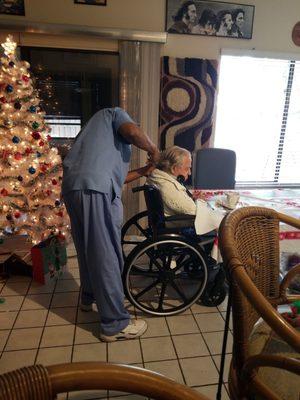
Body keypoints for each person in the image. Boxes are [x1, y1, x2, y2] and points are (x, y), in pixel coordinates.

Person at [62, 107, 159, 342]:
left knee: (87, 247)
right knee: (106, 253)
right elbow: (133, 133)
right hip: (93, 188)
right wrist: (154, 150)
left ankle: (88, 296)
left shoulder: (94, 135)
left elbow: (117, 178)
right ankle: (114, 324)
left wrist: (145, 170)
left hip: (74, 187)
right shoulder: (115, 113)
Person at [147, 146, 196, 216]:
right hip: (179, 224)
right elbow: (193, 210)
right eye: (187, 168)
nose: (189, 173)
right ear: (174, 168)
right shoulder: (166, 185)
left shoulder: (161, 178)